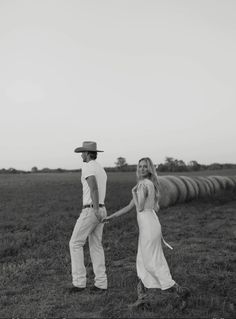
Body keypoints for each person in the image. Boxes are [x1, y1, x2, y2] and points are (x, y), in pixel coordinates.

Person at [103, 157, 190, 309]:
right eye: (140, 166)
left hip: (149, 227)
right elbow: (130, 206)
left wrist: (133, 191)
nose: (142, 169)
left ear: (149, 169)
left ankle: (180, 291)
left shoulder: (144, 184)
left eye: (145, 166)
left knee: (152, 263)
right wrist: (112, 216)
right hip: (149, 226)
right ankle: (142, 299)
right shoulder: (144, 184)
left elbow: (140, 207)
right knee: (142, 262)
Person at [69, 141, 107, 294]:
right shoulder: (100, 168)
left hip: (92, 209)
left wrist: (95, 209)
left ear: (88, 153)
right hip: (101, 208)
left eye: (83, 152)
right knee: (96, 246)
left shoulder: (88, 166)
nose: (81, 155)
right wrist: (99, 209)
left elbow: (94, 187)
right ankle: (101, 284)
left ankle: (79, 283)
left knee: (75, 243)